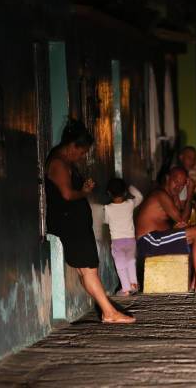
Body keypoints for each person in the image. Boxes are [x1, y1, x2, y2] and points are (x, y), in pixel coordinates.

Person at [45, 119, 135, 324]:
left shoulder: (64, 162)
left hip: (73, 222)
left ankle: (107, 310)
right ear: (72, 146)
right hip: (70, 224)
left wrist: (83, 187)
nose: (82, 156)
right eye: (82, 151)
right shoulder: (59, 163)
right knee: (89, 269)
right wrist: (84, 192)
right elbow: (67, 195)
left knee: (85, 270)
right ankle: (109, 312)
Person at [135, 167, 196, 293]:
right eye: (175, 182)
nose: (178, 186)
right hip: (149, 241)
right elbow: (181, 218)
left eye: (182, 185)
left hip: (159, 238)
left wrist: (181, 199)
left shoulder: (172, 196)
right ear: (168, 178)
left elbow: (184, 220)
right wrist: (189, 194)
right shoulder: (160, 194)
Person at [104, 178, 144, 296]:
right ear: (125, 192)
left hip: (117, 242)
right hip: (131, 240)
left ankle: (126, 289)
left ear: (109, 193)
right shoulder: (130, 204)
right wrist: (131, 187)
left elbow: (106, 221)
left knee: (120, 264)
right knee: (131, 261)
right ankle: (134, 284)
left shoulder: (108, 208)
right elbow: (140, 197)